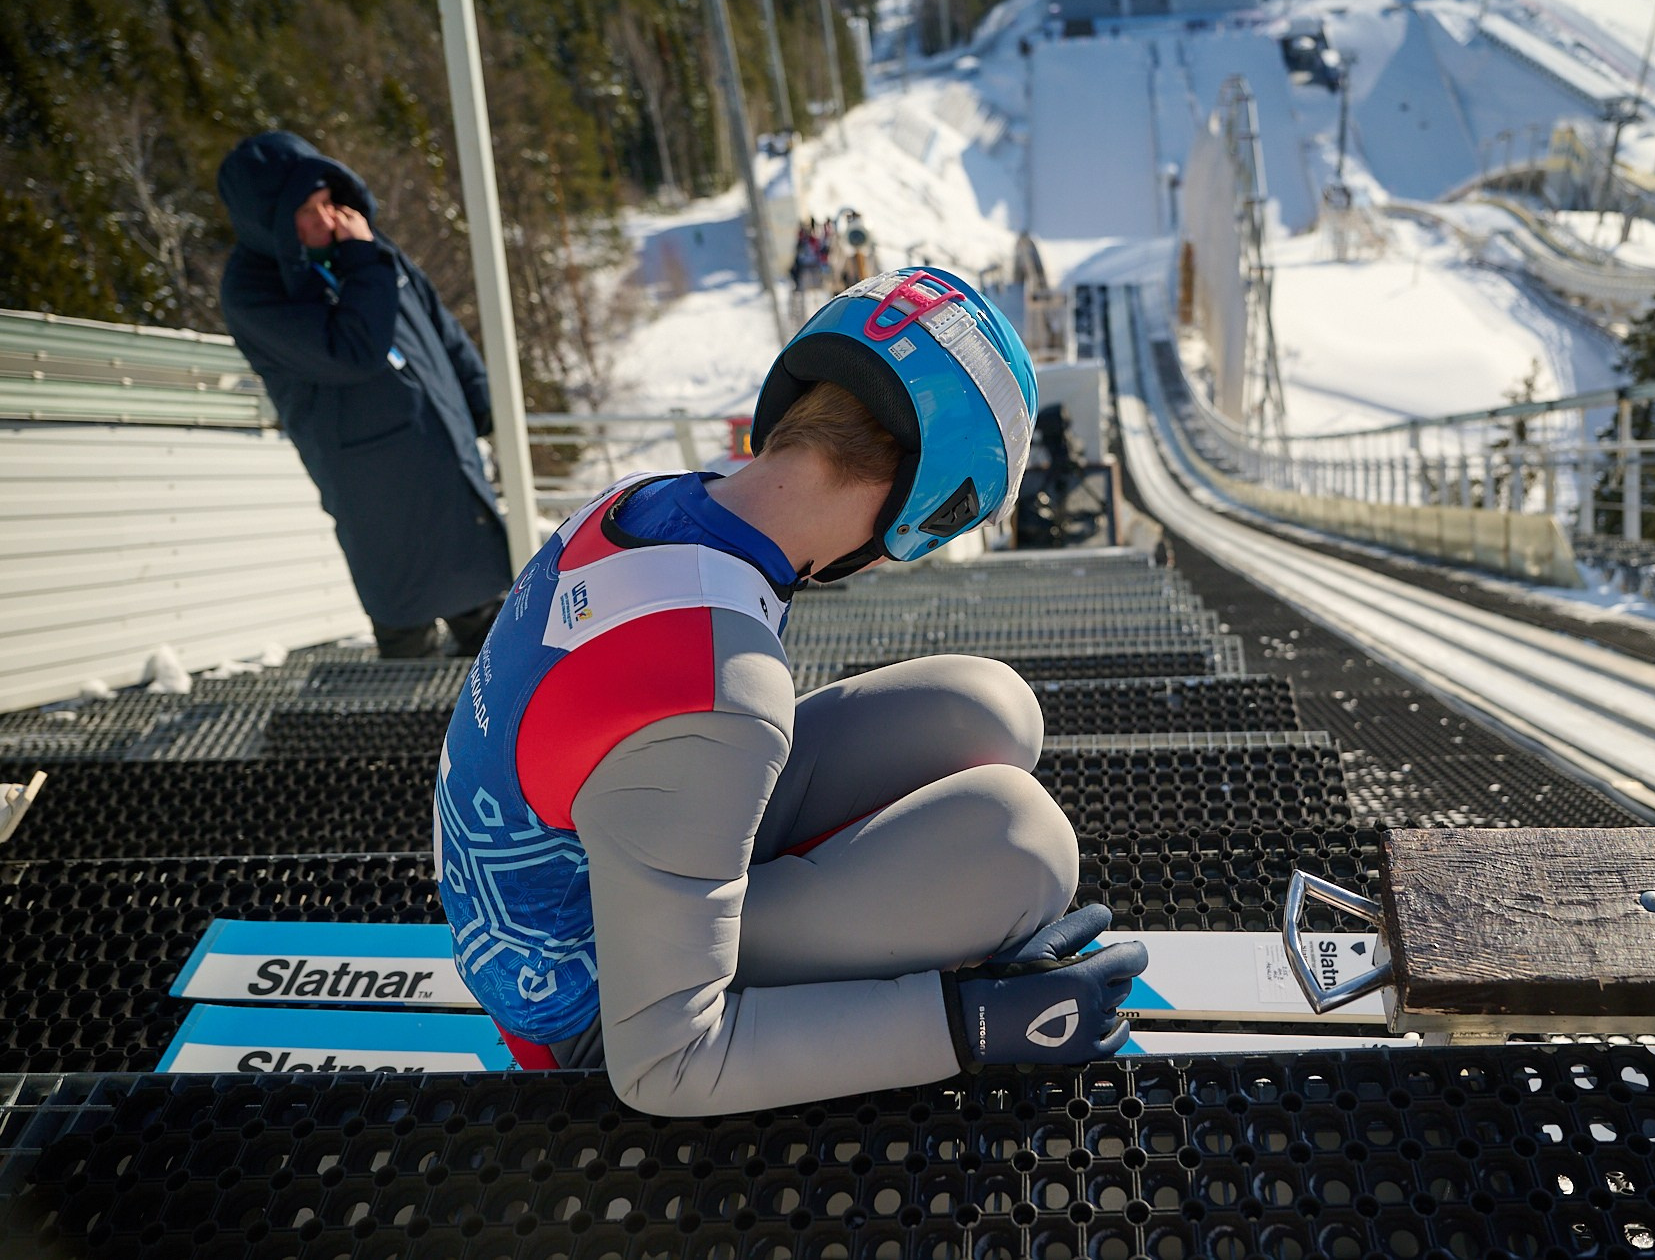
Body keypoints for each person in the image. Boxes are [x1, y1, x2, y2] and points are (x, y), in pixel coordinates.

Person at [436, 268, 1147, 1115]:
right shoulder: (722, 689)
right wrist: (972, 1023)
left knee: (993, 709)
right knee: (1025, 850)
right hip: (591, 1002)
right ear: (932, 503)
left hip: (595, 857)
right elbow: (665, 1065)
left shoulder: (651, 502)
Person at [216, 132, 512, 659]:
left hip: (444, 456)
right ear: (268, 220)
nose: (326, 219)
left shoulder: (369, 249)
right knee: (406, 631)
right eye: (304, 211)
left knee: (490, 628)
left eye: (328, 201)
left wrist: (480, 401)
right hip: (373, 484)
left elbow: (438, 324)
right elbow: (354, 350)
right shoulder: (254, 290)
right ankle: (411, 704)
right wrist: (360, 261)